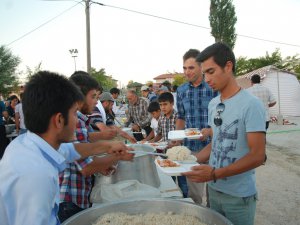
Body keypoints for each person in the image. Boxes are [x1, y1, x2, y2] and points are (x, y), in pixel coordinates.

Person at [0, 71, 129, 225]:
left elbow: (70, 151)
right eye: (75, 113)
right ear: (59, 120)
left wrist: (108, 146)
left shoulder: (27, 143)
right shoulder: (37, 176)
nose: (78, 120)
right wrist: (116, 154)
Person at [183, 42, 266, 225]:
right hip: (213, 191)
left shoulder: (251, 105)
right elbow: (217, 141)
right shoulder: (214, 104)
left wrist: (215, 173)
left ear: (228, 66)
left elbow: (258, 156)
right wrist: (187, 162)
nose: (206, 79)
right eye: (204, 73)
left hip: (238, 196)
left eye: (211, 72)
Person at [58, 71, 134, 222]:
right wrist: (117, 155)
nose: (95, 102)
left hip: (76, 197)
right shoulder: (75, 122)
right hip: (70, 199)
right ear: (78, 96)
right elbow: (86, 168)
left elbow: (82, 152)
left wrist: (103, 162)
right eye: (93, 97)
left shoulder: (80, 121)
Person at [175, 49, 218, 205]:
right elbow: (181, 117)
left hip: (214, 147)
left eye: (191, 68)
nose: (187, 72)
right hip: (191, 148)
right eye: (184, 68)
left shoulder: (214, 87)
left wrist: (211, 131)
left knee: (214, 194)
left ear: (201, 67)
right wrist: (177, 138)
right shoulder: (181, 91)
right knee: (195, 196)